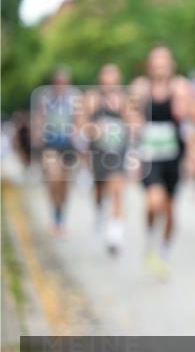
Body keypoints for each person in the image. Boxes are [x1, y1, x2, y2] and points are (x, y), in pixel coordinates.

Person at [131, 46, 195, 277]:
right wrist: (135, 123)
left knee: (171, 210)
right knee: (154, 203)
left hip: (173, 157)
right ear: (149, 65)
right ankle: (151, 237)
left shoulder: (181, 87)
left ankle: (164, 250)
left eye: (164, 62)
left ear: (171, 64)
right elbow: (129, 115)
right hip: (150, 156)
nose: (160, 66)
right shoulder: (141, 88)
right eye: (155, 62)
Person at [83, 63, 134, 255]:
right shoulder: (91, 98)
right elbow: (81, 125)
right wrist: (94, 129)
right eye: (106, 77)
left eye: (113, 77)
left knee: (118, 190)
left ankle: (115, 235)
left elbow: (132, 125)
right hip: (98, 152)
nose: (109, 82)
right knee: (99, 190)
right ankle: (98, 211)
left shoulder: (124, 100)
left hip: (118, 152)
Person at [32, 66, 81, 236]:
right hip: (51, 145)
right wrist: (38, 134)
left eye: (64, 82)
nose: (61, 85)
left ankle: (61, 217)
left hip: (68, 146)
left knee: (64, 184)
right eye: (58, 82)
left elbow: (80, 119)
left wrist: (78, 133)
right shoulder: (45, 97)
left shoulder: (75, 97)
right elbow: (39, 117)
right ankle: (55, 214)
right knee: (54, 179)